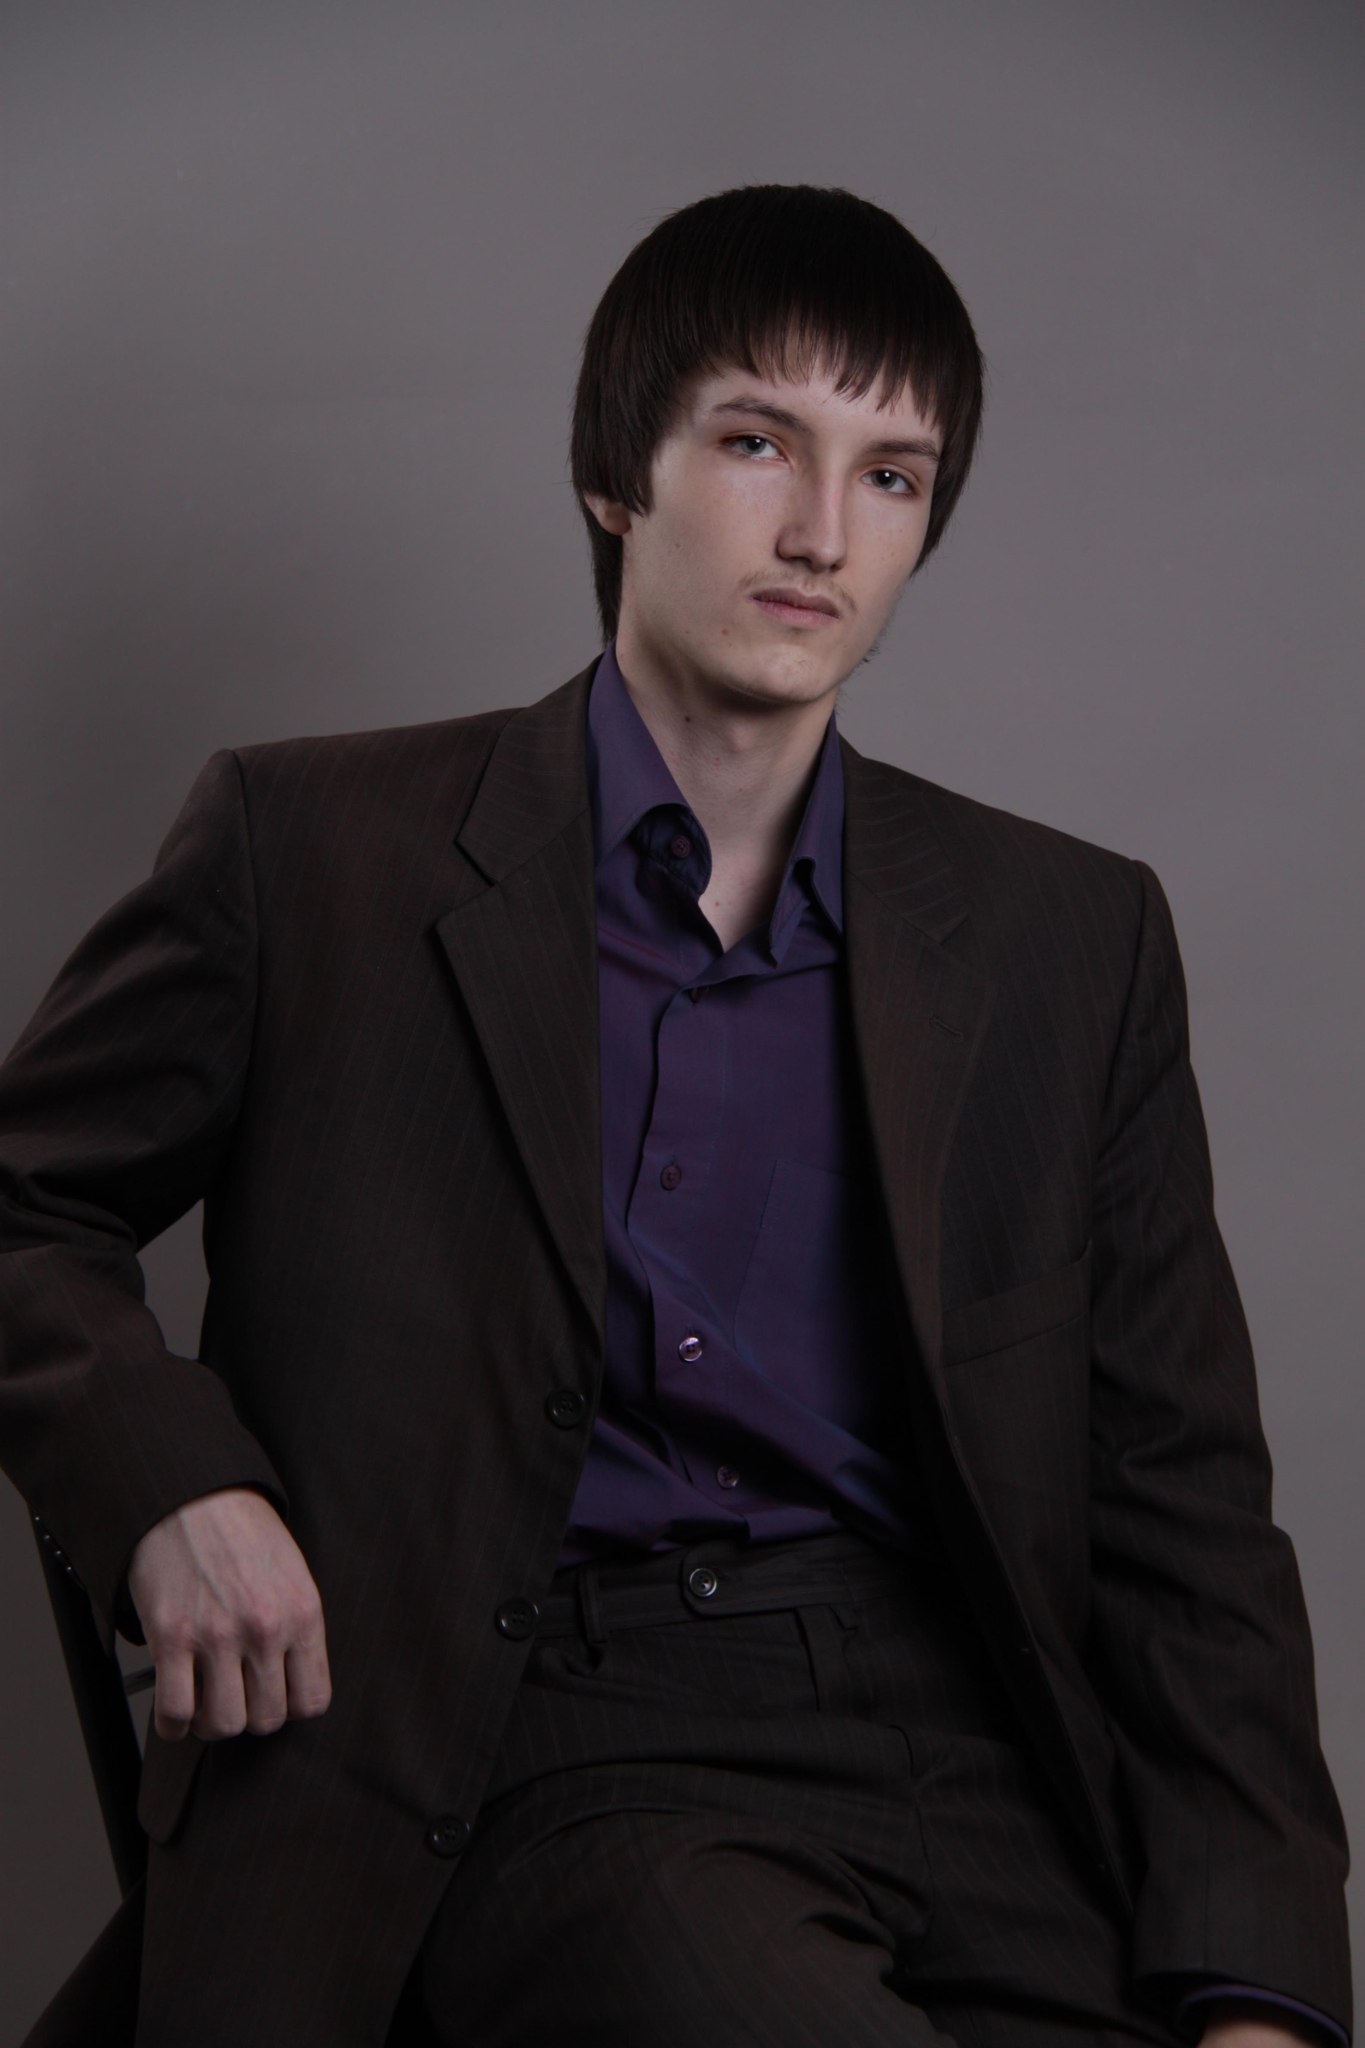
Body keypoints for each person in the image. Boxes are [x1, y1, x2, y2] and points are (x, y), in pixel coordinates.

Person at [0, 183, 1350, 2048]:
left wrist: (1262, 1996)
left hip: (979, 1767)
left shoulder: (1067, 935)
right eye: (755, 443)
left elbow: (1182, 1510)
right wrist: (170, 1479)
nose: (821, 533)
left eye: (891, 476)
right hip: (557, 1735)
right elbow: (22, 1201)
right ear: (613, 477)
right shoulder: (311, 853)